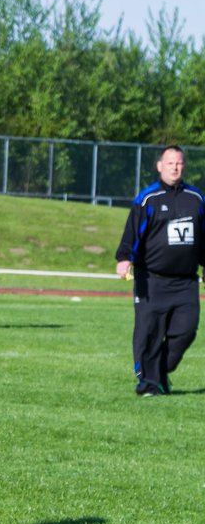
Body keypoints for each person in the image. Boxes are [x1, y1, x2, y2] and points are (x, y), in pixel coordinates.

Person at [115, 145, 205, 396]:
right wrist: (124, 258)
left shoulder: (196, 198)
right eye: (170, 163)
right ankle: (149, 383)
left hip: (185, 283)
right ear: (159, 166)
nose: (175, 168)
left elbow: (203, 236)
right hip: (152, 280)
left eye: (179, 163)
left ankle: (159, 372)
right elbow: (132, 233)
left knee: (186, 331)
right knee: (149, 334)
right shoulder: (147, 199)